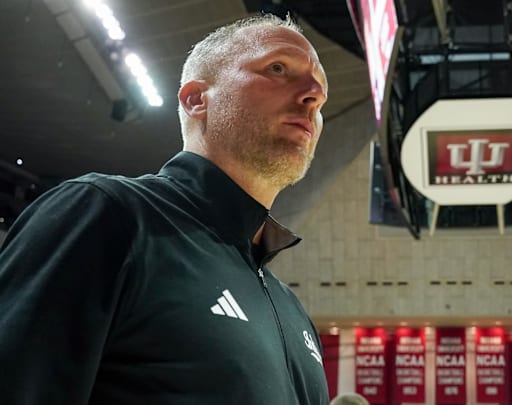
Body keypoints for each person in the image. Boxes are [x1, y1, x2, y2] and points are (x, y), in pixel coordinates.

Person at [0, 13, 329, 404]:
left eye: (323, 90)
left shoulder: (291, 310)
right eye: (278, 68)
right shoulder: (107, 215)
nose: (314, 93)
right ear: (195, 100)